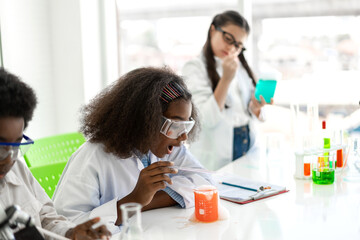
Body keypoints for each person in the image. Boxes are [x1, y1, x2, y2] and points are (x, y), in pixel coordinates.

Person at [53, 67, 212, 234]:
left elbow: (204, 182)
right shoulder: (92, 157)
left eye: (186, 125)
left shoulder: (167, 147)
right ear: (145, 119)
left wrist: (145, 202)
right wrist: (133, 200)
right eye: (175, 125)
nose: (183, 137)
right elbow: (67, 227)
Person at [0, 68, 111, 239]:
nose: (8, 159)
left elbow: (46, 218)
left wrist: (71, 233)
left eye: (16, 145)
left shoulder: (17, 171)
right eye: (1, 146)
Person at [182, 10, 272, 170]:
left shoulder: (241, 68)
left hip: (247, 144)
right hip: (216, 154)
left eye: (238, 46)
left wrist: (256, 108)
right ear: (212, 30)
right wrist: (226, 80)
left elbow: (246, 113)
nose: (231, 48)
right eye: (228, 39)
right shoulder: (194, 68)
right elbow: (205, 119)